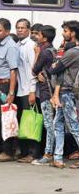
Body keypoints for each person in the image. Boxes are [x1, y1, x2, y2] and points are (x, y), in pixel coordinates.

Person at [48, 20, 79, 168]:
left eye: (66, 31)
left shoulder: (73, 52)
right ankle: (58, 157)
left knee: (73, 126)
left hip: (66, 93)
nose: (63, 33)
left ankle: (58, 157)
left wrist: (56, 64)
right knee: (58, 125)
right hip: (62, 92)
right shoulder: (69, 50)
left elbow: (54, 70)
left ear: (73, 33)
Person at [0, 18, 19, 162]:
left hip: (5, 86)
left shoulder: (11, 46)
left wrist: (11, 92)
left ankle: (8, 151)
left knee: (6, 119)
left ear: (7, 31)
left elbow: (14, 71)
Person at [15, 19, 40, 163]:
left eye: (22, 28)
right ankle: (24, 152)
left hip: (28, 90)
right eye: (18, 28)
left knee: (31, 123)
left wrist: (32, 91)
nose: (20, 30)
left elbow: (33, 69)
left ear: (28, 29)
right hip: (20, 90)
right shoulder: (18, 45)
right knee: (23, 122)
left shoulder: (31, 46)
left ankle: (33, 153)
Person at [31, 25, 57, 166]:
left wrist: (36, 53)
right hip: (54, 90)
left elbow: (34, 70)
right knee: (55, 124)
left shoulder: (44, 52)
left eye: (39, 35)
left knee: (49, 124)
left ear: (44, 38)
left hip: (47, 92)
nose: (37, 37)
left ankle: (48, 154)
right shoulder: (53, 50)